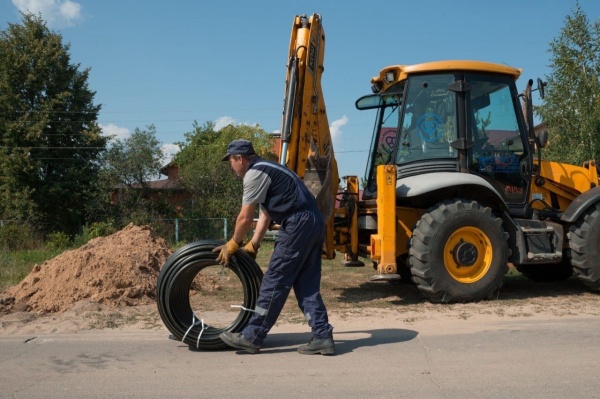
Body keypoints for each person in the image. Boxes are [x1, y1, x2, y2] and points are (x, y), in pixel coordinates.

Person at [214, 139, 335, 355]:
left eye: (231, 161)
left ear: (240, 158)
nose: (231, 166)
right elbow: (265, 213)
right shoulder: (270, 169)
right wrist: (253, 244)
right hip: (314, 223)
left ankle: (252, 336)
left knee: (275, 280)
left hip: (298, 223)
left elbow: (244, 217)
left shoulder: (254, 173)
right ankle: (322, 335)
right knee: (306, 284)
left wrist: (234, 242)